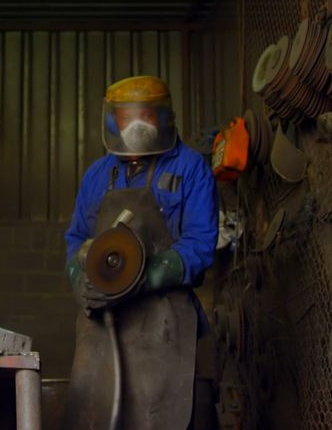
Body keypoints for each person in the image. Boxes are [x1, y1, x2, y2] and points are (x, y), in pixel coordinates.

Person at [63, 75, 218, 429]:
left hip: (167, 324)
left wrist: (147, 276)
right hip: (104, 322)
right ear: (110, 119)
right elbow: (77, 238)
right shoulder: (97, 176)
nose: (134, 125)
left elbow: (200, 242)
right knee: (96, 415)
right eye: (125, 116)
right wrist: (78, 277)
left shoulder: (190, 168)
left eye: (145, 116)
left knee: (180, 415)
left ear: (163, 117)